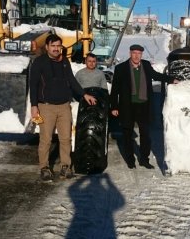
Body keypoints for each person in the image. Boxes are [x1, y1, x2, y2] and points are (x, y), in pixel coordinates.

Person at [29, 34, 97, 181]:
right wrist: (34, 106)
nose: (56, 49)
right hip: (46, 107)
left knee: (66, 139)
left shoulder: (64, 61)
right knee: (46, 139)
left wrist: (84, 95)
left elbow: (72, 81)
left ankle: (65, 166)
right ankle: (44, 167)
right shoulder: (39, 62)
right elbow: (33, 85)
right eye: (53, 46)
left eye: (58, 46)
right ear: (47, 47)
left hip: (64, 106)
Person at [110, 44, 178, 169]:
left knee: (145, 134)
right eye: (134, 53)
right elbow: (115, 89)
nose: (136, 56)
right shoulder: (121, 68)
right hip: (127, 106)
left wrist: (171, 79)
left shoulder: (146, 65)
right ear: (130, 53)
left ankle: (144, 159)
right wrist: (114, 106)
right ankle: (130, 160)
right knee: (127, 134)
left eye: (139, 54)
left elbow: (156, 76)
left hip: (144, 106)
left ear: (141, 55)